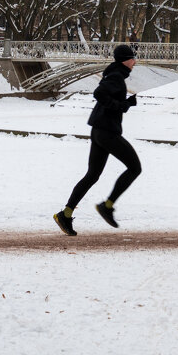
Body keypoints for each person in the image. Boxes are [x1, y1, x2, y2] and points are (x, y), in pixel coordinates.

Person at [53, 44, 141, 236]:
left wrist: (124, 104)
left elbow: (106, 97)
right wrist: (124, 105)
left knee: (92, 175)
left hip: (99, 131)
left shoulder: (114, 74)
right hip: (107, 133)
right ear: (125, 60)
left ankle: (65, 214)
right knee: (135, 168)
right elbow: (99, 94)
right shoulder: (117, 77)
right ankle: (107, 206)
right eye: (133, 58)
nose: (135, 62)